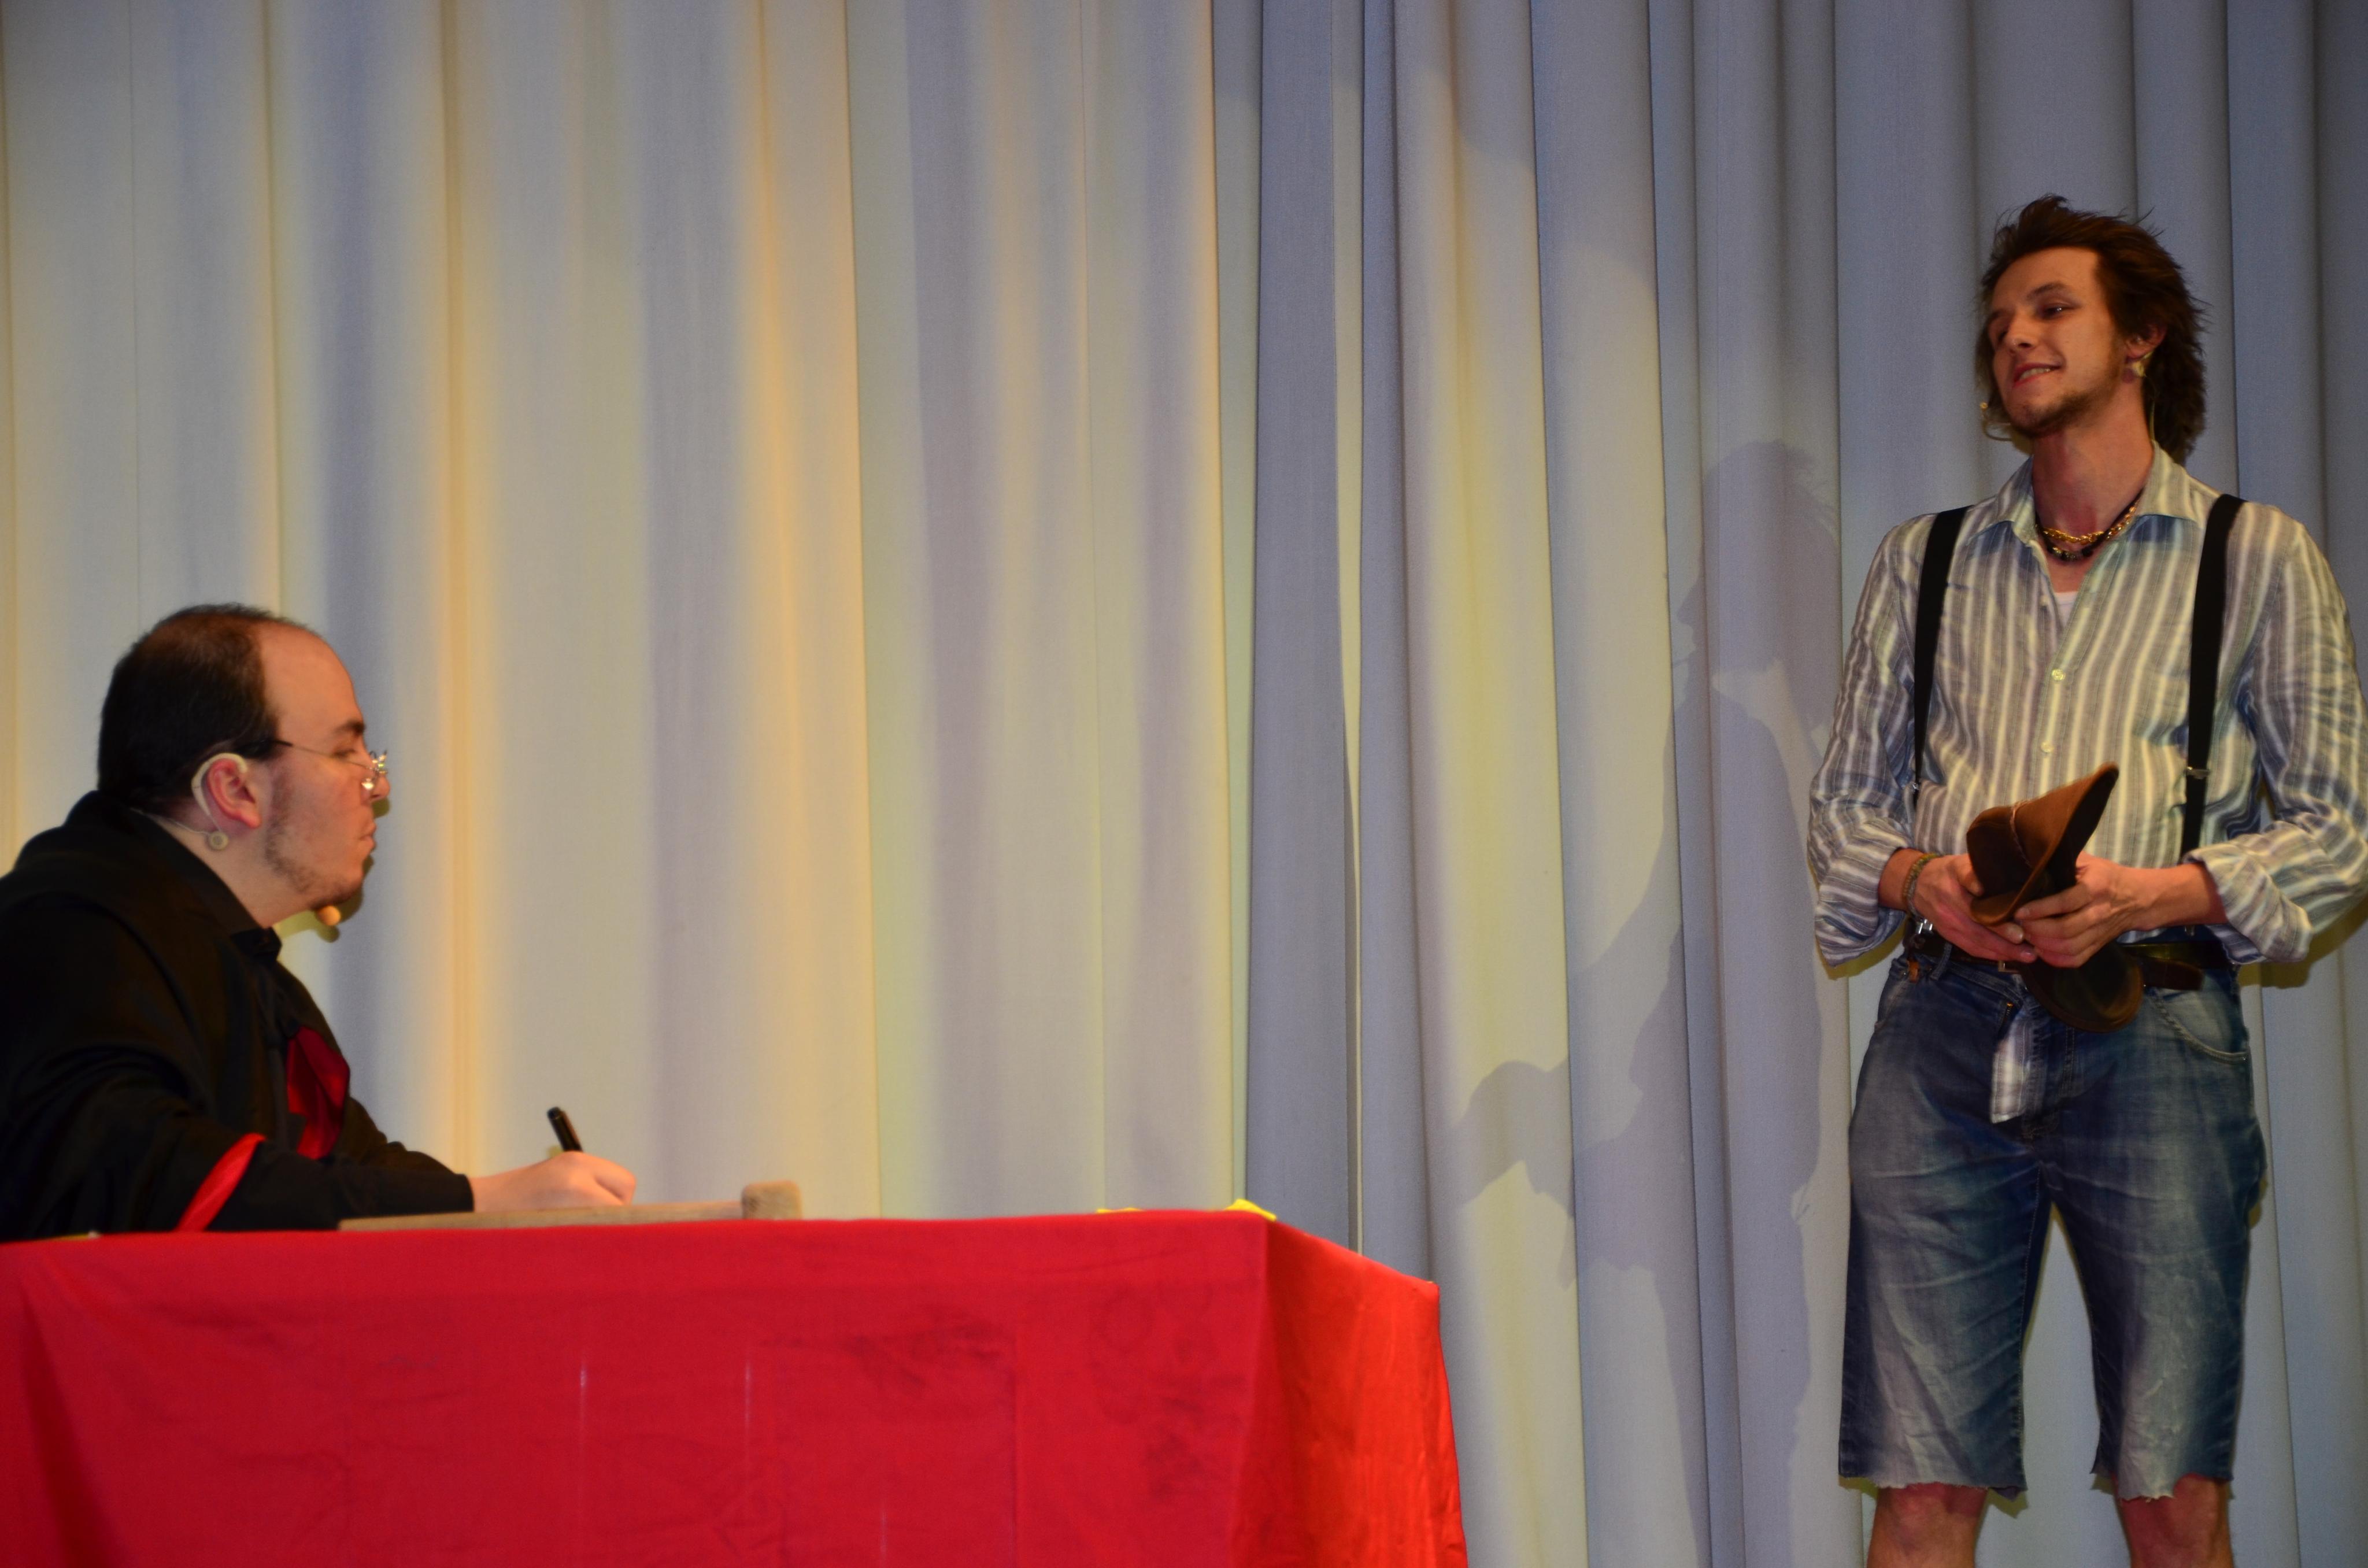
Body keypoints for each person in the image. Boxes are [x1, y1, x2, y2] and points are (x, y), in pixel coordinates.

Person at [1809, 196, 2368, 1567]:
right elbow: (1841, 816)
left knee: (2170, 1493)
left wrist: (2147, 894)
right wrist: (1921, 878)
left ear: (2140, 337)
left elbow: (2336, 830)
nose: (2015, 335)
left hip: (2156, 1029)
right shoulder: (1922, 562)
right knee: (1918, 1488)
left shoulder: (2256, 555)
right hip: (1940, 1031)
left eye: (2051, 307)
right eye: (2000, 320)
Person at [0, 605, 635, 1238]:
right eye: (344, 752)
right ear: (233, 790)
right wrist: (481, 1203)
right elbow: (144, 1181)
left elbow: (348, 1172)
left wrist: (513, 1215)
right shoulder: (71, 931)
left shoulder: (235, 962)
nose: (377, 787)